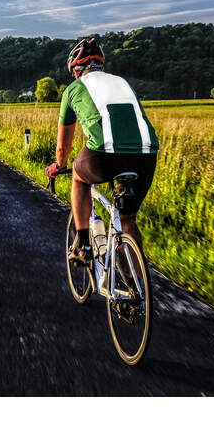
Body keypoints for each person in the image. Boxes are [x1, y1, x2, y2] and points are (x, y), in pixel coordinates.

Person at [45, 37, 159, 265]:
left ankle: (82, 242)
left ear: (75, 70)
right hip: (146, 155)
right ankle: (137, 285)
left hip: (104, 154)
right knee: (127, 219)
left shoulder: (73, 89)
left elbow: (63, 147)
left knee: (79, 178)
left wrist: (59, 165)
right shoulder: (122, 82)